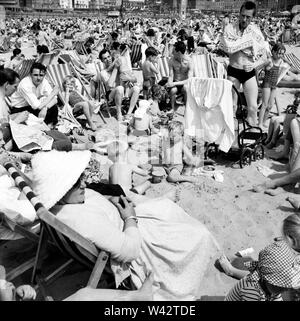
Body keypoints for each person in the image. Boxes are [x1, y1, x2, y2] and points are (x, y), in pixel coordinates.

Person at [18, 149, 219, 301]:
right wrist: (130, 217)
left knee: (166, 208)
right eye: (75, 182)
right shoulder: (81, 221)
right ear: (60, 191)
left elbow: (92, 198)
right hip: (136, 235)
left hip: (124, 217)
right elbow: (130, 251)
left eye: (80, 178)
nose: (84, 183)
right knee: (197, 234)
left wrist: (113, 201)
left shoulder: (60, 206)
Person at [219, 1, 268, 127]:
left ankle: (252, 132)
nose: (244, 19)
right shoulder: (230, 29)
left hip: (248, 72)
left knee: (252, 107)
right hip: (234, 70)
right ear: (239, 14)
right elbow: (226, 47)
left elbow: (264, 56)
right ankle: (231, 132)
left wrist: (255, 64)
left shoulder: (255, 32)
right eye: (242, 15)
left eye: (248, 17)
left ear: (253, 17)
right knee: (232, 105)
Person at [223, 239, 300, 301]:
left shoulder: (270, 286)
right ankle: (231, 271)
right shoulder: (252, 293)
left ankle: (231, 271)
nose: (287, 288)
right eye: (282, 285)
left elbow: (276, 296)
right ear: (269, 279)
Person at [10, 62, 59, 127]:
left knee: (53, 106)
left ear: (44, 75)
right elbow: (37, 106)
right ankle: (44, 126)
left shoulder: (44, 81)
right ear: (30, 75)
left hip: (33, 106)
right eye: (35, 75)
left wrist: (45, 108)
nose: (38, 78)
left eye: (41, 75)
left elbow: (55, 100)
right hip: (19, 109)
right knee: (45, 106)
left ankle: (49, 126)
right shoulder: (25, 84)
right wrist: (53, 93)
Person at [99, 49, 140, 121]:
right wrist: (115, 68)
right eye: (105, 58)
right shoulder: (103, 72)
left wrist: (128, 78)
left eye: (108, 57)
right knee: (120, 88)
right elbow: (110, 85)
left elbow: (135, 79)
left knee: (136, 88)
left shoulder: (121, 67)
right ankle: (119, 113)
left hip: (124, 92)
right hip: (112, 94)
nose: (108, 59)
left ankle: (128, 113)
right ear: (102, 61)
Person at [258, 43, 286, 129]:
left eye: (282, 53)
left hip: (274, 85)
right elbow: (257, 69)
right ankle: (260, 124)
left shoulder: (280, 61)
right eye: (278, 53)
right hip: (266, 84)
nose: (280, 55)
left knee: (270, 106)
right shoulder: (269, 61)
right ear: (273, 52)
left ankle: (264, 121)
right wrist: (257, 82)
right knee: (264, 104)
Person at [167, 41, 193, 112]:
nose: (172, 53)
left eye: (173, 51)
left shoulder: (189, 61)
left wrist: (174, 83)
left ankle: (187, 109)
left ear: (179, 53)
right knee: (173, 90)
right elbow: (171, 75)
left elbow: (189, 79)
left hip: (184, 83)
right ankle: (172, 108)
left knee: (186, 89)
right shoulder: (171, 61)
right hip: (175, 81)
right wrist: (170, 82)